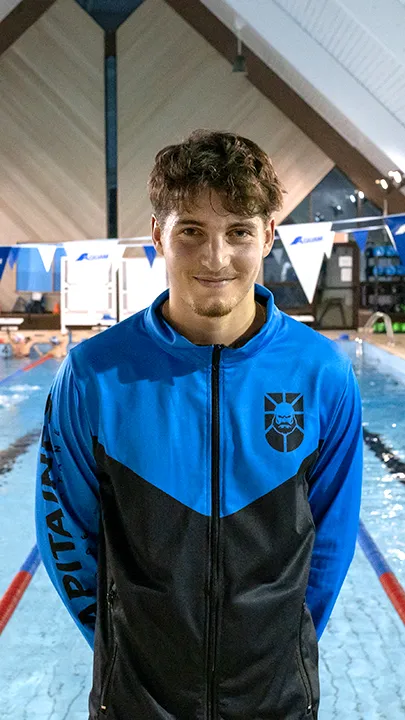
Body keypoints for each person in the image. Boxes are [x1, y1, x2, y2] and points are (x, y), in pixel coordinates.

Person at [36, 130, 363, 720]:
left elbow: (332, 543)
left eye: (238, 230)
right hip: (136, 704)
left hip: (277, 702)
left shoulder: (323, 375)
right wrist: (124, 654)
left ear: (267, 234)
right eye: (192, 231)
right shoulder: (94, 376)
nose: (216, 258)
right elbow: (64, 537)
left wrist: (279, 651)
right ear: (158, 235)